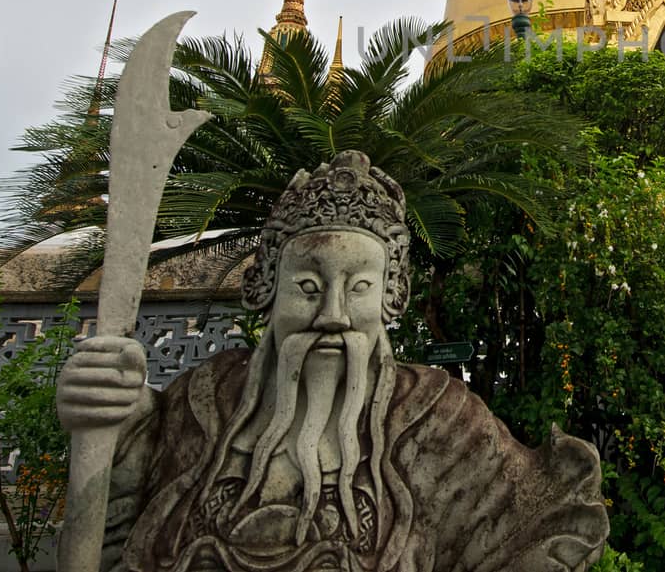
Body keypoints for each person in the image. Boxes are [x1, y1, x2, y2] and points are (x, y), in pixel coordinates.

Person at [57, 151, 608, 572]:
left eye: (360, 286)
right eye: (307, 286)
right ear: (266, 288)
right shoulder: (203, 402)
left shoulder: (437, 418)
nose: (333, 315)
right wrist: (112, 419)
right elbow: (108, 533)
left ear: (391, 297)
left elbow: (538, 525)